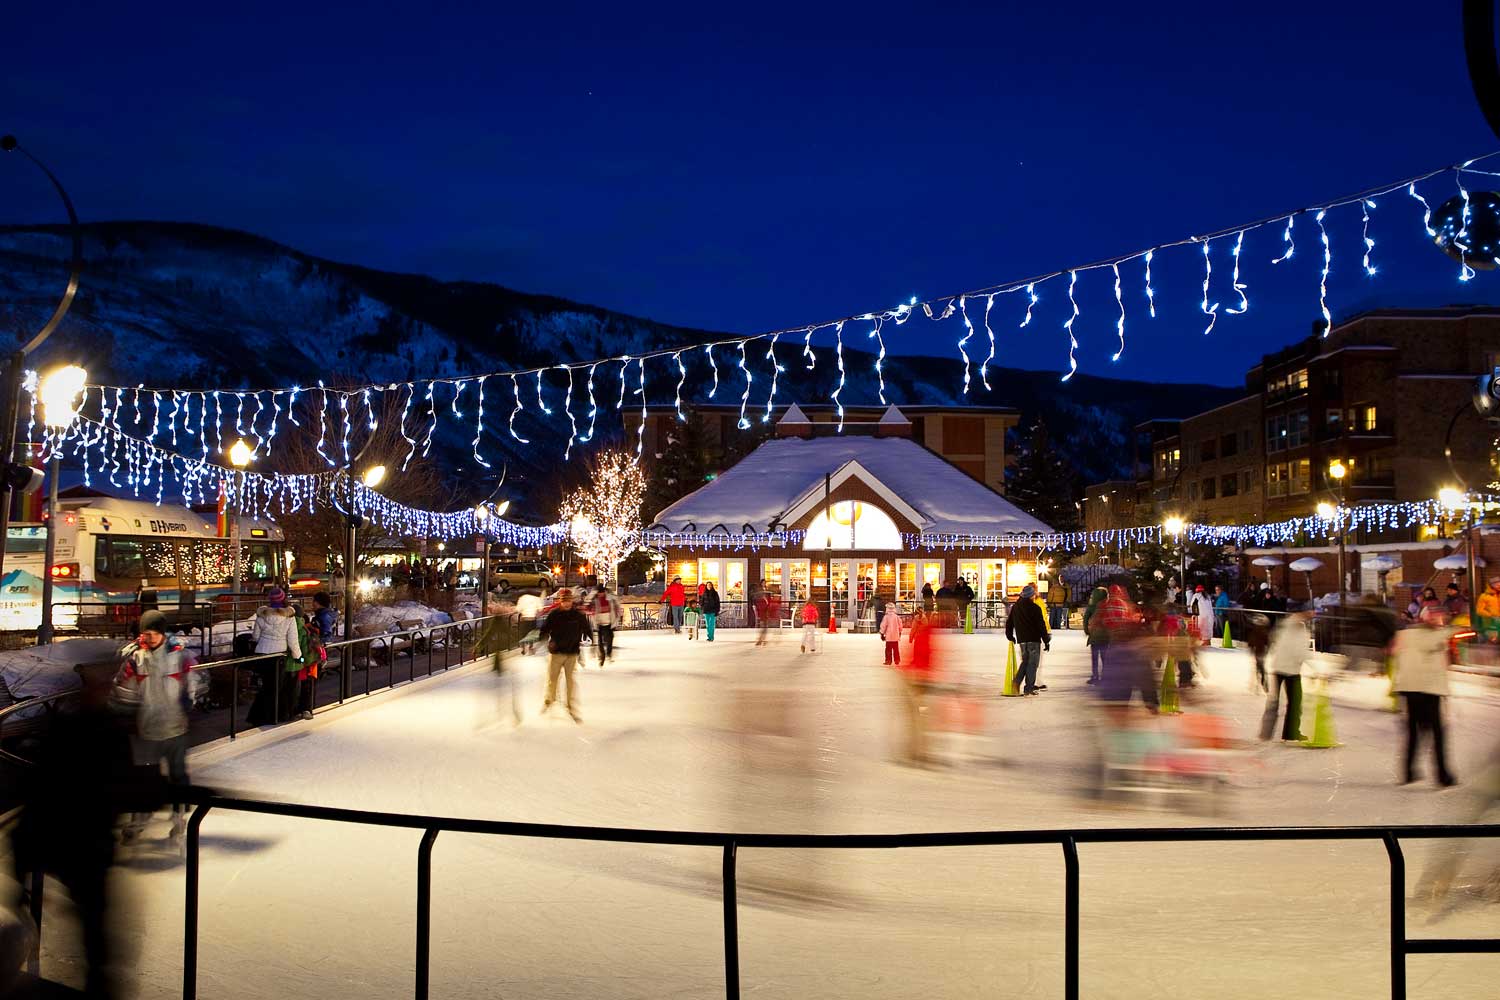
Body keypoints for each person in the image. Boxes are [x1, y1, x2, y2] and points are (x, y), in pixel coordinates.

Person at [118, 609, 196, 844]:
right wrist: (124, 706)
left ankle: (179, 816)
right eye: (145, 633)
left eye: (153, 633)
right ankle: (139, 818)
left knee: (177, 773)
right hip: (147, 726)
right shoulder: (136, 657)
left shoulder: (179, 656)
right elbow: (124, 686)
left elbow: (194, 679)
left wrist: (189, 699)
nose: (149, 638)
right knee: (145, 775)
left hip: (175, 726)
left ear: (163, 633)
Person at [1393, 606, 1457, 786]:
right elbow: (1432, 643)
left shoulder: (1405, 634)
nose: (1439, 622)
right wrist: (1454, 629)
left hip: (1410, 688)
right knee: (1437, 733)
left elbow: (1394, 652)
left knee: (1414, 731)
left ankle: (1409, 771)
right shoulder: (1431, 635)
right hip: (1427, 689)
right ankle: (1443, 776)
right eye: (1437, 618)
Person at [246, 587, 302, 726]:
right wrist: (298, 657)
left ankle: (257, 716)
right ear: (283, 599)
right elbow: (293, 641)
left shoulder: (262, 615)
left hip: (262, 654)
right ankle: (272, 717)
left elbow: (255, 637)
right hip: (278, 655)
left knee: (265, 686)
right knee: (276, 687)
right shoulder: (289, 617)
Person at [539, 588, 592, 722]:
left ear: (572, 601)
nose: (567, 604)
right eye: (564, 601)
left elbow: (586, 628)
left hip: (571, 653)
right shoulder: (554, 614)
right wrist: (543, 638)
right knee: (552, 679)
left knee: (570, 682)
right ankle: (549, 700)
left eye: (569, 601)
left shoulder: (577, 615)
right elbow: (545, 628)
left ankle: (570, 705)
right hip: (556, 652)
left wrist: (590, 638)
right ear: (561, 602)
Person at [1260, 611, 1312, 741]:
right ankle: (1291, 733)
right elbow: (1300, 653)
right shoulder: (1302, 632)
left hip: (1277, 667)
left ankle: (1265, 732)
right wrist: (1314, 668)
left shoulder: (1284, 626)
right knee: (1294, 703)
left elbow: (1273, 640)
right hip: (1292, 671)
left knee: (1273, 701)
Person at [897, 611, 937, 765]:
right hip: (918, 680)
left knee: (918, 719)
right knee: (919, 719)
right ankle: (917, 750)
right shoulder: (926, 634)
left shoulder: (925, 633)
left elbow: (920, 657)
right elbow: (923, 657)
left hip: (918, 679)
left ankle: (916, 749)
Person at [1005, 584, 1051, 695]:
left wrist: (1010, 635)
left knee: (1025, 662)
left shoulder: (1015, 607)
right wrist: (1046, 640)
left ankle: (1016, 682)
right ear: (1031, 596)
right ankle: (1028, 688)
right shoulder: (1035, 608)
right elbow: (1041, 625)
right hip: (1033, 640)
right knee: (1032, 664)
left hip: (1022, 640)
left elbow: (1009, 623)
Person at [1082, 585, 1108, 685]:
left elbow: (1085, 619)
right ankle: (1105, 676)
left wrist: (1087, 631)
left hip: (1094, 636)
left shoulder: (1091, 606)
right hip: (1105, 636)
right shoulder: (1107, 606)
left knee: (1094, 657)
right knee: (1105, 657)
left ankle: (1095, 675)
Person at [589, 584, 622, 664]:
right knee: (600, 641)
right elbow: (588, 604)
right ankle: (602, 655)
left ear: (604, 592)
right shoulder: (595, 599)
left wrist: (617, 617)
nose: (600, 594)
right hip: (599, 622)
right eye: (599, 593)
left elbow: (616, 606)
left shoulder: (610, 598)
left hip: (609, 622)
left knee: (609, 639)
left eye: (601, 593)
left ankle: (608, 654)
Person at [1478, 577, 1500, 642]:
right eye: (1497, 584)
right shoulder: (1484, 596)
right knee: (1492, 641)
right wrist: (1491, 615)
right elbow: (1479, 610)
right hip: (1491, 622)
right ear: (1491, 585)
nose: (1499, 585)